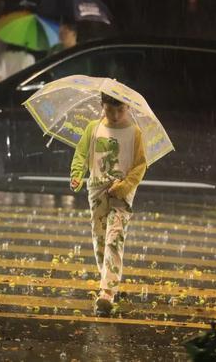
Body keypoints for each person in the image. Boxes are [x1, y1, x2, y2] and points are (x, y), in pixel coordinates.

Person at [69, 93, 147, 316]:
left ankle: (107, 293)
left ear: (128, 108)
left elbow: (140, 165)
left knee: (115, 236)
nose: (114, 115)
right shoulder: (93, 128)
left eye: (120, 110)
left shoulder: (135, 133)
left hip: (121, 192)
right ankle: (108, 278)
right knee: (100, 237)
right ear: (101, 106)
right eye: (109, 110)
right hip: (96, 189)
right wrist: (76, 175)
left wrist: (124, 186)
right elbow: (81, 154)